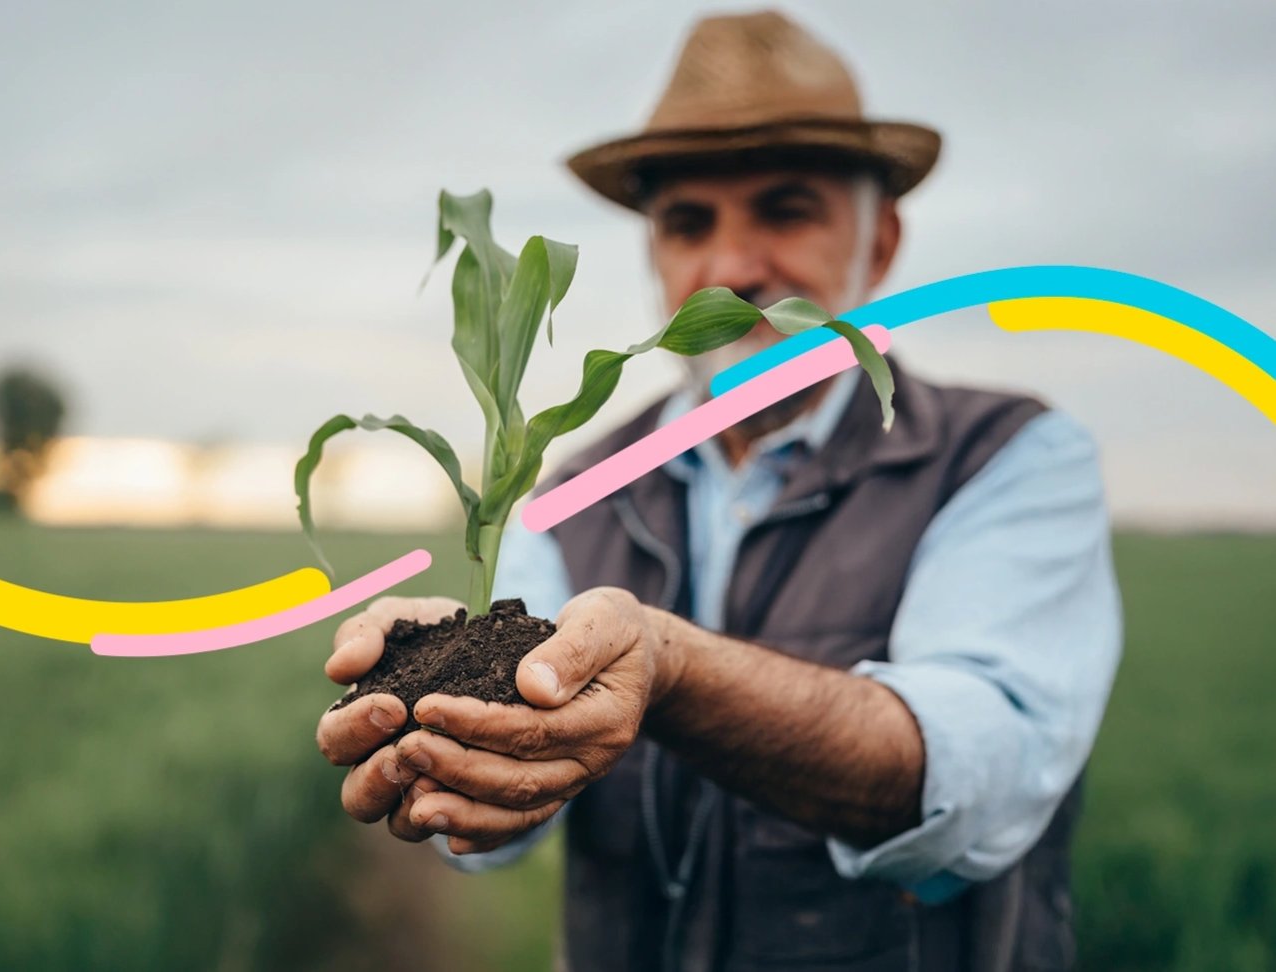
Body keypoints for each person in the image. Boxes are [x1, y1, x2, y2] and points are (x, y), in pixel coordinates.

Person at [315, 10, 1121, 971]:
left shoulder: (1006, 456)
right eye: (688, 223)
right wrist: (447, 713)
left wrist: (674, 668)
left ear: (881, 242)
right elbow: (506, 818)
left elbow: (981, 775)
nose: (733, 269)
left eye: (786, 210)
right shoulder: (570, 492)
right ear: (656, 254)